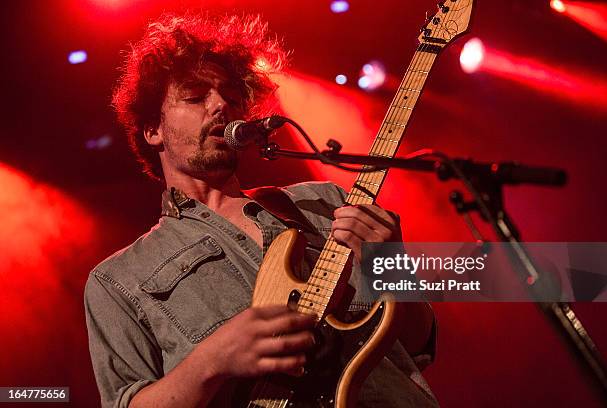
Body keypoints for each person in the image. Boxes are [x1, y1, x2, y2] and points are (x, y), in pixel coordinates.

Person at [84, 12, 438, 408]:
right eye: (196, 96)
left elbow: (419, 344)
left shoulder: (325, 203)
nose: (221, 106)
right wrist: (210, 361)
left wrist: (392, 267)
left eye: (232, 98)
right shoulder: (117, 280)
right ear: (153, 130)